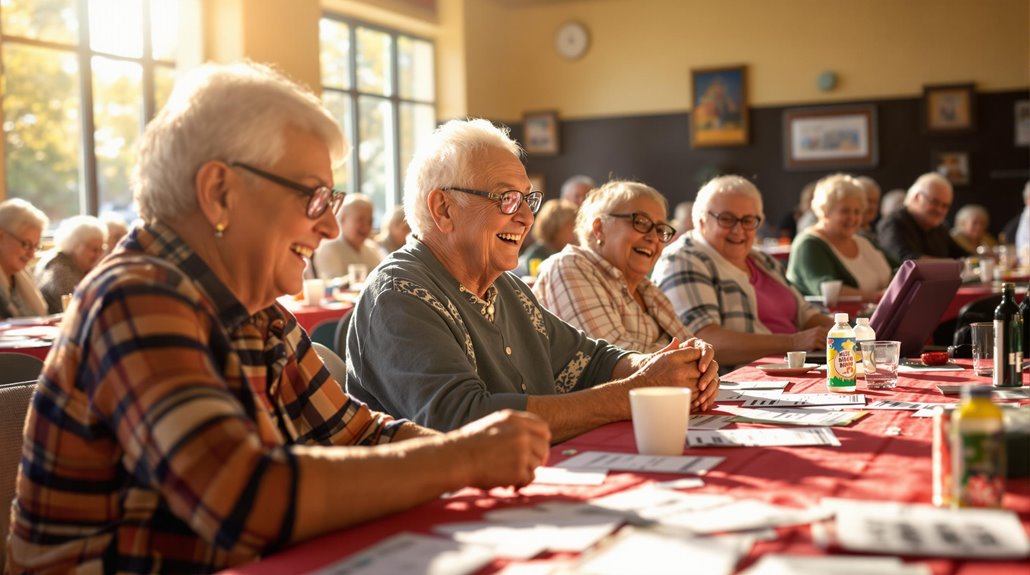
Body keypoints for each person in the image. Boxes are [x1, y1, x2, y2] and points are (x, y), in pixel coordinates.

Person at [7, 62, 550, 573]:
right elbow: (244, 499)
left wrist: (485, 447)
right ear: (220, 193)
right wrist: (464, 458)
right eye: (314, 198)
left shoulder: (256, 310)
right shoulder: (133, 296)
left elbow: (357, 435)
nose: (331, 229)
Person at [346, 119, 718, 442]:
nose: (526, 217)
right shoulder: (397, 293)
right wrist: (633, 394)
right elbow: (461, 421)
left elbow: (591, 362)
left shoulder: (506, 288)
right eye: (507, 199)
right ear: (443, 208)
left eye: (528, 199)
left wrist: (664, 369)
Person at [652, 175, 834, 368]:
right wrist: (793, 342)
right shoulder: (682, 260)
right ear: (701, 221)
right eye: (727, 219)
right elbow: (704, 343)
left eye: (748, 220)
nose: (738, 230)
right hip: (743, 385)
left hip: (796, 369)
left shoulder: (761, 260)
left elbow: (808, 316)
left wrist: (846, 333)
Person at [533, 180, 692, 353]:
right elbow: (615, 362)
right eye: (640, 222)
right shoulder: (569, 265)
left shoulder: (648, 290)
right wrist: (680, 354)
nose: (654, 237)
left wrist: (686, 355)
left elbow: (695, 350)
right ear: (599, 228)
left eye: (660, 229)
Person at [786, 174, 895, 300]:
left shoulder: (862, 241)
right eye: (845, 211)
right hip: (838, 319)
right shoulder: (808, 244)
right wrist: (877, 297)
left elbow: (899, 269)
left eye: (857, 212)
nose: (852, 218)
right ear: (825, 210)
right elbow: (827, 290)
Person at [876, 172, 969, 262]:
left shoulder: (939, 228)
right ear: (917, 197)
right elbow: (906, 261)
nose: (940, 210)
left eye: (945, 206)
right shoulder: (894, 223)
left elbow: (964, 255)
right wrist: (953, 264)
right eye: (935, 202)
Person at [33, 215, 108, 313]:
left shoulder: (67, 262)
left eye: (101, 249)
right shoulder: (60, 271)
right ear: (75, 245)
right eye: (94, 249)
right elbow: (78, 311)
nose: (98, 255)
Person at [312, 192, 382, 278]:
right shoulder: (329, 249)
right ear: (343, 219)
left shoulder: (372, 249)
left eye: (370, 221)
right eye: (360, 220)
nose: (366, 226)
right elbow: (332, 285)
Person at [0, 198, 48, 319]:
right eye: (26, 244)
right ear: (1, 236)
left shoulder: (23, 274)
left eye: (35, 246)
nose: (32, 255)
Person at [517, 198, 577, 276]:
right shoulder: (537, 255)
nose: (575, 232)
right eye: (570, 227)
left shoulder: (569, 252)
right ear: (555, 227)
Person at [855, 175, 881, 240]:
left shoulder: (874, 231)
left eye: (875, 202)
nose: (872, 206)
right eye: (868, 201)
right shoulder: (850, 235)